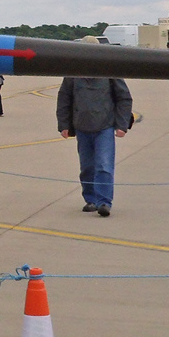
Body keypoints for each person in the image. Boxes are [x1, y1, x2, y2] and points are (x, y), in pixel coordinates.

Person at [56, 45, 132, 217]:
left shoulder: (109, 72)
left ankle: (104, 202)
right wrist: (64, 125)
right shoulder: (72, 74)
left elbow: (124, 98)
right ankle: (90, 199)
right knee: (87, 167)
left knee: (104, 166)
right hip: (82, 128)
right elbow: (64, 99)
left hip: (104, 127)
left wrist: (122, 125)